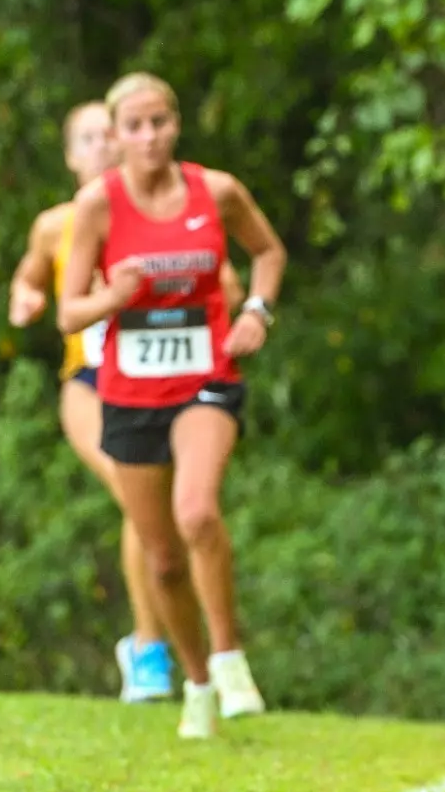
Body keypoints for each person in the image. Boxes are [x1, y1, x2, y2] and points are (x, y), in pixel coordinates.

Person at [58, 73, 287, 740]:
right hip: (127, 395)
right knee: (160, 558)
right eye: (134, 126)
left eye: (160, 121)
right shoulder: (99, 205)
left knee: (197, 510)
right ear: (115, 134)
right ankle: (195, 682)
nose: (149, 136)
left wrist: (257, 311)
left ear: (176, 124)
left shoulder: (215, 190)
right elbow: (69, 308)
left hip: (207, 378)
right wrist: (112, 296)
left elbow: (269, 251)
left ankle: (230, 656)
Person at [10, 101, 176, 702]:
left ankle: (153, 645)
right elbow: (30, 274)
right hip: (87, 383)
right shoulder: (54, 225)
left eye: (112, 133)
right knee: (137, 495)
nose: (104, 145)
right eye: (89, 137)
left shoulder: (153, 212)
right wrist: (24, 298)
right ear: (71, 155)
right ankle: (149, 650)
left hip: (151, 382)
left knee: (153, 506)